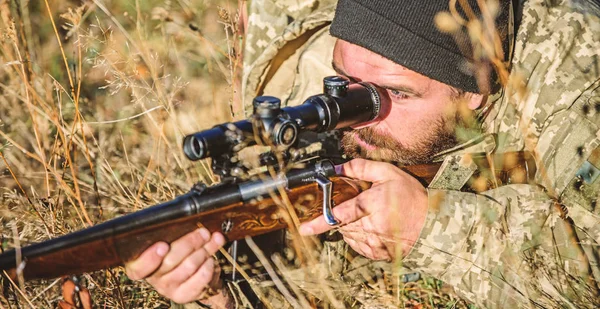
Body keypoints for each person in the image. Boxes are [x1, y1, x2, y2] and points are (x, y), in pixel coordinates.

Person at [125, 0, 600, 308]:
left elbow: (590, 276)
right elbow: (326, 286)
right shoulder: (298, 74)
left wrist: (430, 226)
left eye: (397, 94)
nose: (361, 118)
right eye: (345, 84)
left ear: (477, 87)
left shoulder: (579, 73)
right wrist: (220, 292)